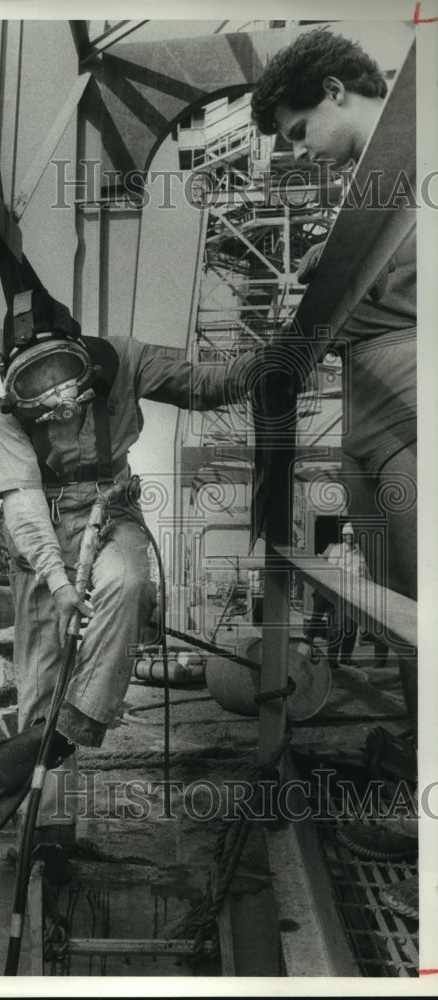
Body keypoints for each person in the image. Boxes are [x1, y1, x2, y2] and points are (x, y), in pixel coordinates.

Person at [0, 286, 262, 841]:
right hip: (43, 528)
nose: (55, 395)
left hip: (111, 509)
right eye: (35, 386)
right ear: (14, 381)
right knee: (41, 678)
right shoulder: (3, 414)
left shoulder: (125, 358)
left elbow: (200, 385)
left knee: (129, 582)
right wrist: (60, 581)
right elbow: (23, 502)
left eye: (62, 373)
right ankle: (48, 832)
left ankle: (77, 724)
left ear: (79, 351)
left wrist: (263, 369)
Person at [251, 28, 417, 711]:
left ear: (333, 91)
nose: (297, 151)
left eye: (296, 132)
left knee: (425, 592)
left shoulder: (419, 148)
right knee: (391, 599)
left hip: (410, 387)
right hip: (363, 402)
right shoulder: (362, 196)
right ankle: (421, 746)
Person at [307, 521, 370, 668]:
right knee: (337, 627)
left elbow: (366, 574)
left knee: (351, 628)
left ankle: (345, 658)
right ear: (343, 536)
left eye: (352, 535)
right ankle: (331, 660)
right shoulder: (336, 551)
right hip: (339, 593)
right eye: (347, 535)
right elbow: (330, 572)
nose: (349, 537)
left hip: (354, 595)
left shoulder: (360, 552)